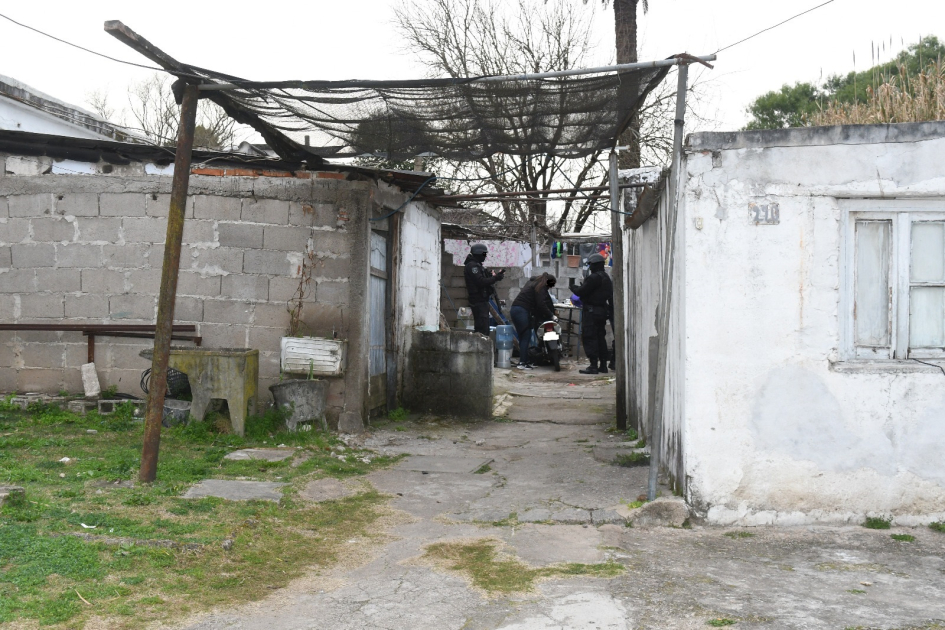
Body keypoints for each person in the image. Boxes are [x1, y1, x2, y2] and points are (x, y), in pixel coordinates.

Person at [570, 253, 613, 375]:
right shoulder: (606, 278)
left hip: (591, 312)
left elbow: (581, 292)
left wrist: (573, 287)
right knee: (600, 338)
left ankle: (593, 365)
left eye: (591, 265)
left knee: (590, 337)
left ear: (594, 265)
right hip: (601, 311)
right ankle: (603, 365)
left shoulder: (593, 278)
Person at [510, 273, 556, 369]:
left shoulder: (532, 282)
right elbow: (541, 304)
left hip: (515, 309)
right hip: (521, 310)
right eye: (551, 285)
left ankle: (524, 361)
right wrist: (551, 315)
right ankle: (523, 363)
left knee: (523, 337)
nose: (550, 287)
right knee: (525, 336)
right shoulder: (540, 287)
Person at [464, 243, 505, 336]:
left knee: (484, 328)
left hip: (482, 301)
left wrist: (491, 276)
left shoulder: (477, 265)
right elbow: (480, 282)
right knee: (482, 330)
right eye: (484, 254)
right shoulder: (472, 266)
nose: (485, 256)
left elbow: (483, 279)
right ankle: (480, 345)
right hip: (478, 301)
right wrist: (495, 278)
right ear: (478, 253)